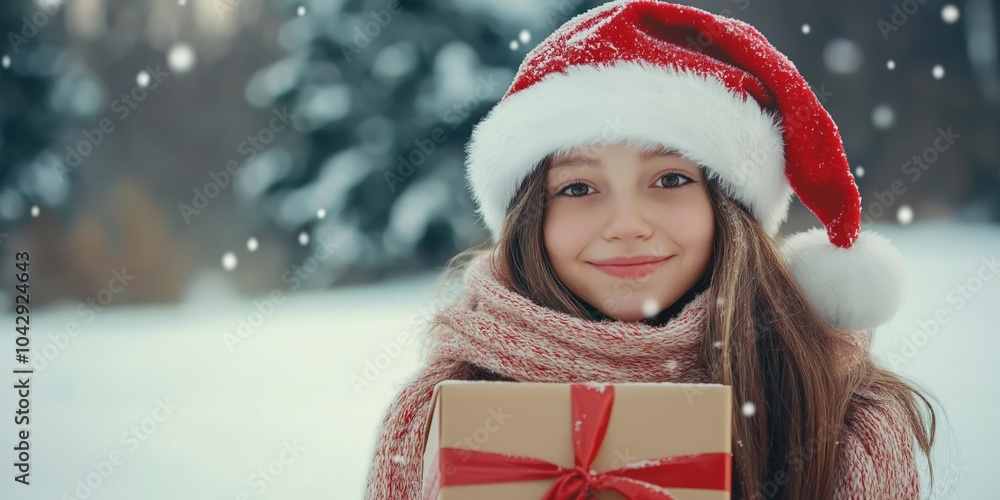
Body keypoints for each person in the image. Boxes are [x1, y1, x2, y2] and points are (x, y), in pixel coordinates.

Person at [364, 1, 937, 498]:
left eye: (669, 179)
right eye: (578, 188)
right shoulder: (440, 412)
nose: (627, 225)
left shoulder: (840, 415)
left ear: (728, 206)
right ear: (531, 220)